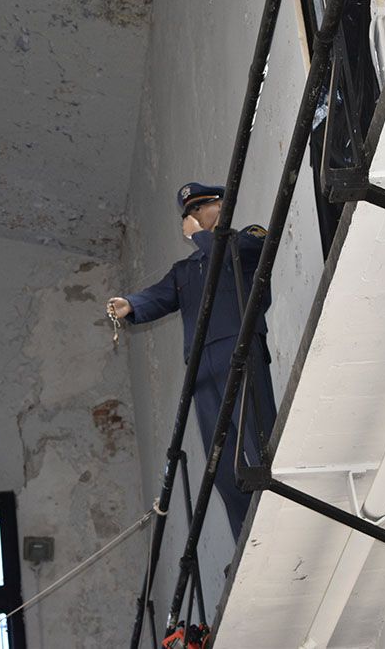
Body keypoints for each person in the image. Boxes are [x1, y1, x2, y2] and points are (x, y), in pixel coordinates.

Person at [106, 182, 277, 538]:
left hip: (239, 351)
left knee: (258, 445)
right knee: (223, 465)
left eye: (201, 208)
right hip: (202, 369)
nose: (194, 217)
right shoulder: (185, 270)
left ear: (222, 204)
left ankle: (281, 522)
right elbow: (159, 295)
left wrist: (203, 237)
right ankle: (248, 539)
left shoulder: (247, 238)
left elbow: (234, 253)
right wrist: (130, 304)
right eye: (189, 213)